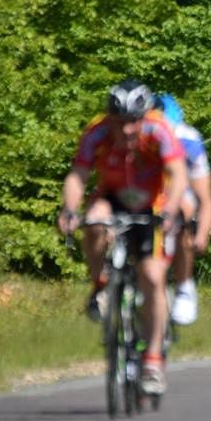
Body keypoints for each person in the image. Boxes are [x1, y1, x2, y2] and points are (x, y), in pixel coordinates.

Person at [58, 79, 188, 395]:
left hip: (152, 201)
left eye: (134, 122)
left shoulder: (159, 132)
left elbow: (178, 175)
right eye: (120, 123)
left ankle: (153, 360)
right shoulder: (97, 133)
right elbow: (78, 174)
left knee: (152, 277)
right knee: (95, 222)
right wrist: (69, 209)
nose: (127, 130)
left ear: (144, 117)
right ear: (110, 119)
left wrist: (170, 211)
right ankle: (100, 286)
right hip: (113, 195)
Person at [154, 93, 211, 325]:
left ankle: (184, 286)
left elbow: (206, 199)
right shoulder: (140, 134)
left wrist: (201, 234)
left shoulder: (189, 141)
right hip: (149, 190)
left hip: (181, 191)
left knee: (184, 207)